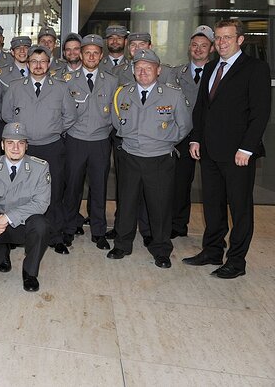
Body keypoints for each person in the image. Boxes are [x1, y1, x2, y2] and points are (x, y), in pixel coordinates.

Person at [185, 19, 271, 278]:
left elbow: (260, 113)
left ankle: (236, 261)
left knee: (240, 209)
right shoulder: (211, 67)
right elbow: (202, 108)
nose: (221, 43)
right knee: (212, 204)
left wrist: (247, 148)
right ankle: (212, 251)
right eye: (219, 38)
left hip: (238, 155)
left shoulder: (255, 68)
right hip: (209, 151)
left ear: (240, 40)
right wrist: (195, 139)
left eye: (227, 38)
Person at [107, 49, 191, 269]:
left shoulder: (173, 95)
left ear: (158, 70)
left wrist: (163, 140)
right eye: (138, 68)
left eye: (148, 68)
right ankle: (122, 244)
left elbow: (184, 126)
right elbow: (117, 122)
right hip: (130, 157)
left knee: (160, 207)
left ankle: (161, 250)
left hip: (160, 158)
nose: (143, 72)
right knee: (126, 203)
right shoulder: (122, 93)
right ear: (133, 71)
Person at [0, 44, 76, 254]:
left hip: (51, 147)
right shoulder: (15, 87)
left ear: (49, 64)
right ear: (28, 63)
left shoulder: (60, 87)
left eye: (43, 61)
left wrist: (52, 130)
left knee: (54, 191)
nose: (38, 65)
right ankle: (18, 232)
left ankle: (56, 235)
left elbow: (70, 116)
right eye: (34, 61)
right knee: (19, 191)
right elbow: (7, 114)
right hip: (23, 148)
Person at [0, 122, 51, 292]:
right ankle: (1, 257)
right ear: (2, 145)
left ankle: (30, 273)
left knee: (41, 226)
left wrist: (8, 217)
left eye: (20, 143)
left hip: (24, 222)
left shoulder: (40, 168)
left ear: (26, 146)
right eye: (10, 143)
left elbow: (41, 203)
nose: (15, 148)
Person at [61, 35, 117, 250]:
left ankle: (98, 231)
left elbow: (115, 112)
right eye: (87, 52)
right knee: (72, 188)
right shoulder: (67, 80)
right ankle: (68, 228)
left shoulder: (111, 81)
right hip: (76, 141)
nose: (91, 56)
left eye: (95, 52)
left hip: (100, 142)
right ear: (81, 55)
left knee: (99, 188)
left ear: (101, 55)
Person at [170, 25, 214, 238]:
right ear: (189, 47)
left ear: (211, 49)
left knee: (213, 187)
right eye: (195, 45)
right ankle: (178, 225)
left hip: (210, 136)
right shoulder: (177, 73)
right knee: (180, 183)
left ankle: (214, 233)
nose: (198, 49)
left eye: (204, 45)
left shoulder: (218, 73)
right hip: (183, 135)